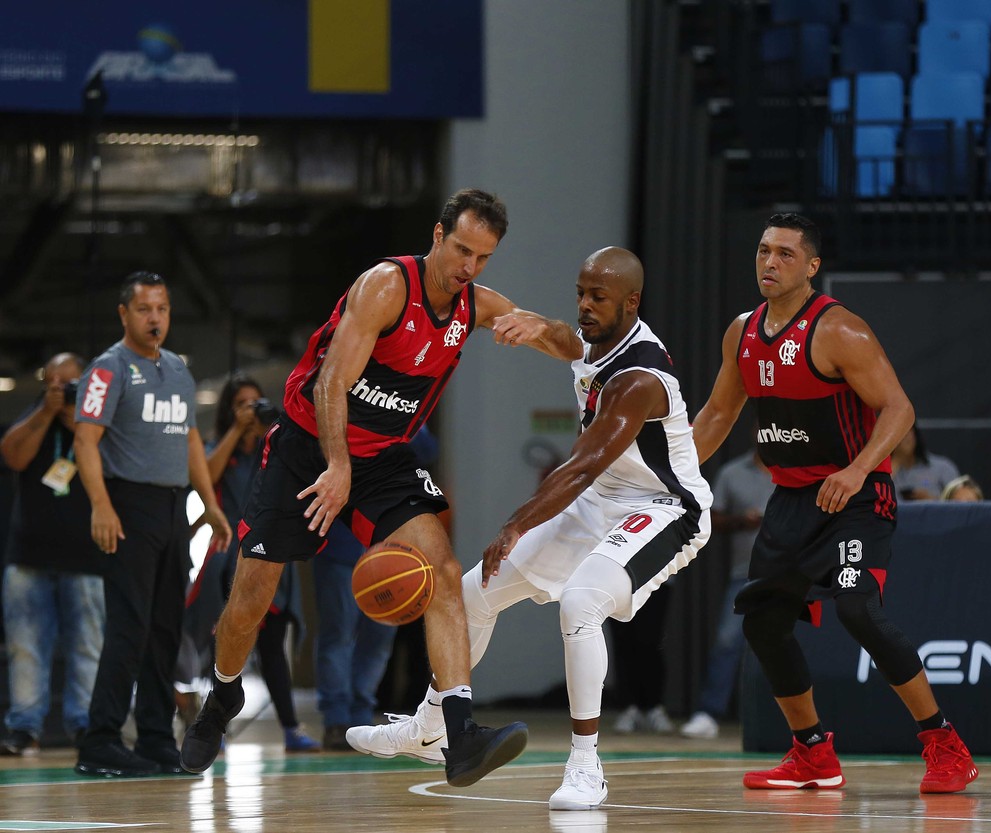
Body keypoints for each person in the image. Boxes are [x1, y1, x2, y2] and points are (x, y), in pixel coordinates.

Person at [180, 188, 582, 786]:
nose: (469, 267)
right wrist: (336, 466)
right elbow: (330, 385)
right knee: (251, 599)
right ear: (438, 236)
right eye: (462, 250)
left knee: (444, 568)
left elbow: (573, 349)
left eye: (483, 258)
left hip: (383, 458)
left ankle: (460, 734)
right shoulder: (387, 286)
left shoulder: (478, 304)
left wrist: (542, 326)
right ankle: (223, 696)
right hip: (307, 446)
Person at [347, 247, 713, 811]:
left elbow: (583, 464)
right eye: (581, 293)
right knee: (472, 594)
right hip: (599, 501)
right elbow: (574, 344)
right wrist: (540, 325)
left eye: (599, 297)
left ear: (632, 302)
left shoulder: (640, 378)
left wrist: (515, 525)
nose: (586, 306)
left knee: (582, 603)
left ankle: (586, 765)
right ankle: (431, 726)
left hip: (664, 508)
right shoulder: (599, 338)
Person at [691, 213, 977, 793]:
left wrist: (856, 469)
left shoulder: (839, 330)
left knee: (856, 609)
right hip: (791, 500)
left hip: (854, 498)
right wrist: (671, 476)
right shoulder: (741, 332)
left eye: (786, 255)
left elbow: (899, 409)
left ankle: (946, 743)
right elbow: (720, 414)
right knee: (765, 624)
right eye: (764, 250)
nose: (770, 263)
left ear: (812, 267)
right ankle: (814, 753)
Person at [73, 271, 232, 778]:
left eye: (161, 309)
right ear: (124, 314)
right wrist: (101, 505)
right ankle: (100, 740)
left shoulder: (179, 373)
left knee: (166, 628)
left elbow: (189, 443)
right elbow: (85, 441)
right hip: (127, 505)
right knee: (129, 627)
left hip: (172, 508)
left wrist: (208, 504)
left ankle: (157, 738)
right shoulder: (107, 369)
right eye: (144, 309)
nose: (155, 318)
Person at [182, 374, 320, 752]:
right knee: (223, 639)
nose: (250, 409)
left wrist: (264, 427)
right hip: (228, 552)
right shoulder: (218, 446)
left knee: (273, 644)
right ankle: (216, 728)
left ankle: (291, 728)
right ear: (229, 408)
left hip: (271, 549)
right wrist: (235, 432)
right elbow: (204, 479)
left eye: (256, 402)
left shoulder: (276, 445)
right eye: (242, 403)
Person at [0, 353, 108, 756]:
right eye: (55, 381)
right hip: (29, 556)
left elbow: (115, 465)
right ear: (45, 383)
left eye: (71, 382)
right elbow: (13, 455)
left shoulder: (96, 426)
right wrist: (46, 413)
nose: (62, 389)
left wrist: (79, 422)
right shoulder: (34, 418)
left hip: (86, 556)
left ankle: (85, 726)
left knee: (87, 646)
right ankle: (24, 728)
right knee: (26, 646)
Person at [314, 425, 439, 751]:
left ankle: (360, 713)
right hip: (340, 548)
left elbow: (427, 450)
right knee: (337, 636)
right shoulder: (337, 412)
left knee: (379, 641)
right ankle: (336, 718)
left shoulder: (400, 415)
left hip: (389, 553)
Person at [681, 449, 772, 740]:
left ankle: (787, 717)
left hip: (792, 571)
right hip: (743, 571)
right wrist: (742, 521)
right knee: (727, 641)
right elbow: (714, 519)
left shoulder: (797, 467)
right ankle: (709, 712)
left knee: (788, 643)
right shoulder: (733, 472)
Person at [608, 586, 674, 735]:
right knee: (622, 639)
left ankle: (655, 707)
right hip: (615, 572)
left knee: (651, 639)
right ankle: (629, 707)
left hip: (656, 575)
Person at [890, 424, 960, 500]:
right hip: (897, 511)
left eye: (907, 433)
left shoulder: (943, 467)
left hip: (934, 511)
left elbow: (958, 501)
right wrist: (897, 459)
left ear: (915, 435)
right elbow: (879, 492)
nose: (903, 438)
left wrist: (931, 500)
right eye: (897, 435)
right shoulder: (888, 469)